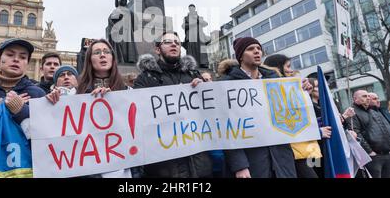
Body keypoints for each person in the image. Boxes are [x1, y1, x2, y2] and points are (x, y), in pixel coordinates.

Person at [46, 39, 136, 178]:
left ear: (112, 57)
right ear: (89, 60)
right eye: (97, 52)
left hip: (123, 168)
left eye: (106, 52)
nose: (102, 55)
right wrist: (54, 101)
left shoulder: (129, 92)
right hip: (88, 169)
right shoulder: (74, 94)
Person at [133, 31, 213, 178]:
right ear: (158, 49)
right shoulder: (145, 79)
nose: (174, 44)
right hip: (164, 165)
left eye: (177, 42)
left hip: (199, 164)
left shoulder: (194, 75)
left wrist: (205, 90)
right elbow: (138, 116)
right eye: (168, 42)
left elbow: (211, 113)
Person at [219, 38, 299, 178]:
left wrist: (302, 90)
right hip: (252, 160)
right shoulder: (227, 85)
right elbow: (227, 129)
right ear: (240, 57)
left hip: (281, 158)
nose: (257, 51)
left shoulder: (275, 80)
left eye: (258, 48)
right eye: (250, 49)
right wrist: (240, 165)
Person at [264, 54, 330, 178]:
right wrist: (318, 132)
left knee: (319, 174)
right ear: (277, 68)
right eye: (288, 66)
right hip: (297, 152)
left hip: (311, 149)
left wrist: (306, 96)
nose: (291, 70)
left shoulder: (296, 90)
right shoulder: (275, 93)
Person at [352, 90, 390, 178]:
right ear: (355, 99)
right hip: (373, 157)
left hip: (386, 154)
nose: (368, 98)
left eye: (368, 96)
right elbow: (356, 133)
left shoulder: (374, 111)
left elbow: (385, 129)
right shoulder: (353, 112)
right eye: (364, 96)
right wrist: (369, 151)